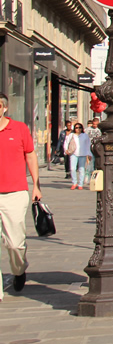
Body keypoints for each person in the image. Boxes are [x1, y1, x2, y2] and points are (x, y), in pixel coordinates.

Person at [0, 92, 42, 299]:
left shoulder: (18, 129)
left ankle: (18, 270)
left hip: (14, 193)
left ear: (4, 108)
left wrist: (36, 185)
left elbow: (31, 155)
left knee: (14, 243)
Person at [67, 123, 93, 190]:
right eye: (76, 128)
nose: (78, 129)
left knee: (81, 169)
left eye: (79, 127)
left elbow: (88, 145)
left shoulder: (85, 136)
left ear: (82, 128)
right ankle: (74, 182)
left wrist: (89, 154)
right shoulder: (71, 135)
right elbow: (66, 142)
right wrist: (65, 150)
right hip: (74, 153)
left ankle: (80, 184)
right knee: (72, 168)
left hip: (83, 154)